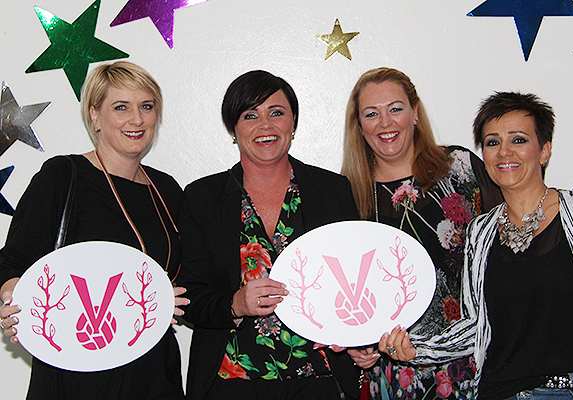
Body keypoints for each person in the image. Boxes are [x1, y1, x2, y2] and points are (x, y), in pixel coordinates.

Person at [341, 68, 573, 400]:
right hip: (398, 363)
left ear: (415, 113)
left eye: (395, 108)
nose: (385, 122)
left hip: (479, 361)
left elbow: (523, 200)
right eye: (371, 113)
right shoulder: (346, 194)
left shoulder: (459, 166)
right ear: (359, 125)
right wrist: (358, 341)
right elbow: (349, 291)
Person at [0, 61, 186, 399]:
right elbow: (13, 260)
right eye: (121, 107)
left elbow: (184, 276)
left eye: (147, 106)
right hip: (76, 372)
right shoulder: (63, 176)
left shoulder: (167, 190)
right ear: (95, 115)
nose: (137, 119)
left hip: (152, 371)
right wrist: (15, 299)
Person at [176, 70, 361, 400]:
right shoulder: (202, 197)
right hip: (231, 382)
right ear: (233, 128)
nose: (265, 126)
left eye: (276, 112)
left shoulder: (332, 190)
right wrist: (234, 304)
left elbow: (356, 283)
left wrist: (360, 337)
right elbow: (189, 295)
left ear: (293, 122)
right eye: (250, 115)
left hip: (319, 379)